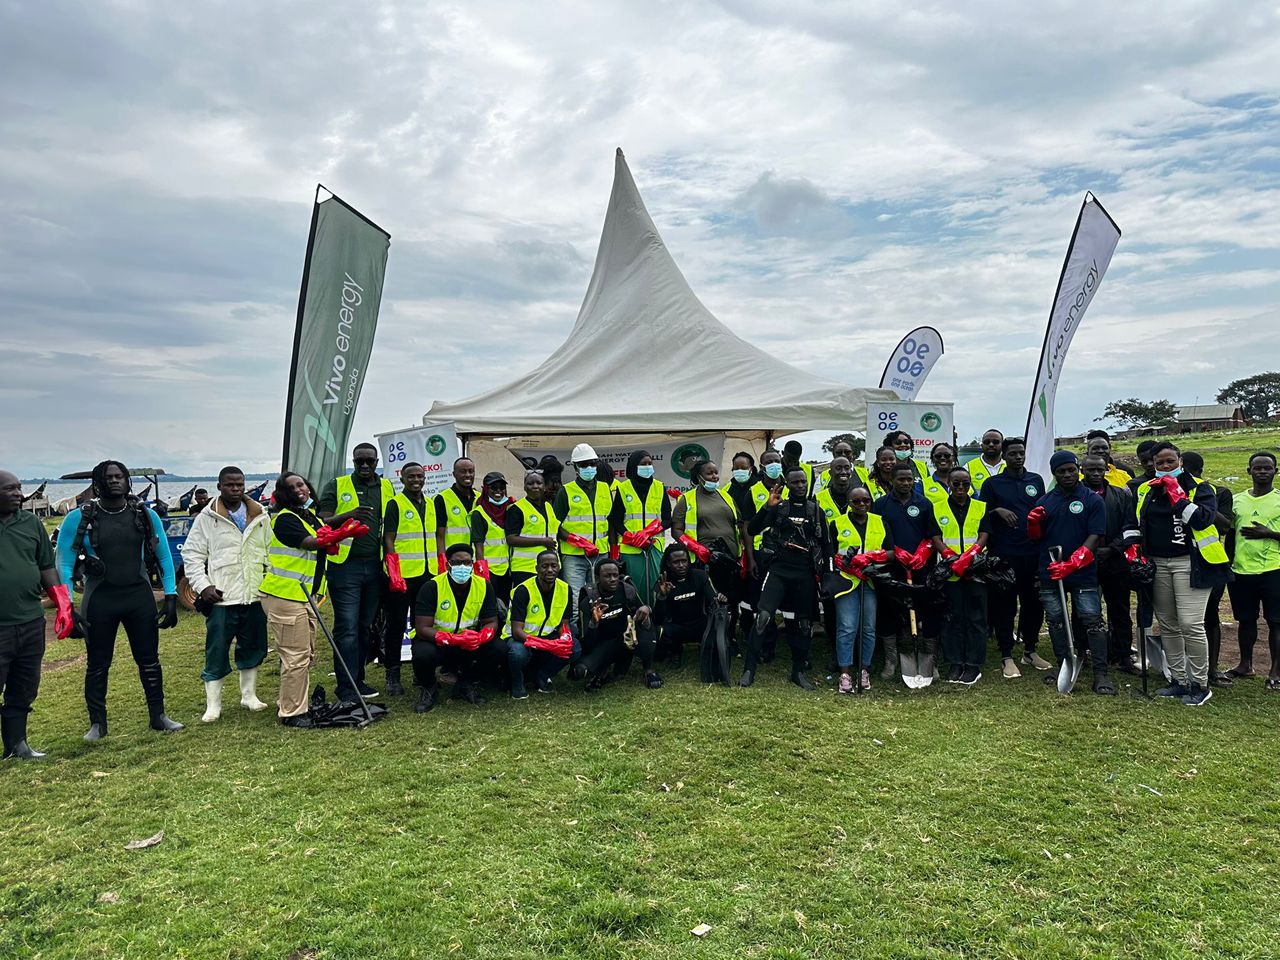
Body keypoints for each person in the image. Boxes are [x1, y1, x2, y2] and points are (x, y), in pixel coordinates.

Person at [56, 460, 183, 740]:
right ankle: (97, 724)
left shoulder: (145, 515)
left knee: (149, 660)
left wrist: (171, 596)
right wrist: (67, 606)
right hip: (100, 599)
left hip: (138, 597)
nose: (114, 481)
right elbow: (63, 563)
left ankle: (158, 716)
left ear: (128, 481)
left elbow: (163, 556)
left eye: (119, 476)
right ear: (96, 484)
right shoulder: (79, 518)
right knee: (98, 664)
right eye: (108, 477)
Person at [1121, 441, 1230, 706]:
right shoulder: (1146, 489)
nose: (1165, 466)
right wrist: (1133, 552)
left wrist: (1177, 496)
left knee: (1191, 624)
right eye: (1160, 463)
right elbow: (1133, 523)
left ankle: (1200, 684)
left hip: (1190, 564)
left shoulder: (1199, 488)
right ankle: (1179, 681)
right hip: (1158, 564)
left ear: (1180, 461)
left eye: (1170, 461)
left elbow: (1203, 519)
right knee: (1168, 624)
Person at [260, 472, 363, 728]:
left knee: (305, 653)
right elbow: (310, 543)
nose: (299, 490)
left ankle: (292, 701)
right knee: (295, 656)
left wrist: (344, 523)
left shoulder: (307, 516)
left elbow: (323, 530)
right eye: (292, 487)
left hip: (305, 596)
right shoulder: (285, 519)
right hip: (285, 594)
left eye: (302, 484)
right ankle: (292, 713)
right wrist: (339, 535)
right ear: (283, 494)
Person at [182, 465, 271, 722]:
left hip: (254, 594)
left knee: (253, 646)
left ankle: (249, 695)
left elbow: (269, 551)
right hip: (222, 597)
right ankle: (214, 704)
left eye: (240, 484)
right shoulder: (207, 517)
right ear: (219, 486)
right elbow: (192, 554)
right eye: (230, 485)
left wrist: (268, 583)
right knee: (217, 650)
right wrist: (203, 586)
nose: (235, 489)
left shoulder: (260, 514)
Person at [0, 469, 75, 759]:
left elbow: (46, 565)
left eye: (19, 488)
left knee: (24, 685)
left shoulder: (31, 523)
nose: (19, 494)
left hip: (30, 621)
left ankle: (17, 745)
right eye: (10, 489)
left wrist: (63, 603)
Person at [1028, 450, 1112, 695]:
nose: (1067, 475)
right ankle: (1064, 663)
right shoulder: (1044, 501)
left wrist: (1075, 561)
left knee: (1092, 620)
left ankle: (1101, 673)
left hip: (1083, 572)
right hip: (1051, 572)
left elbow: (1096, 535)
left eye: (1071, 470)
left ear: (1078, 470)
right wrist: (1033, 524)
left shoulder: (1092, 500)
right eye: (1061, 471)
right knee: (1055, 620)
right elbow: (1036, 538)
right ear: (1054, 474)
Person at [317, 442, 395, 702]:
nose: (364, 465)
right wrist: (348, 515)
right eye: (359, 461)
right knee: (347, 628)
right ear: (353, 461)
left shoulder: (387, 486)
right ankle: (346, 687)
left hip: (374, 566)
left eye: (369, 461)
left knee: (364, 627)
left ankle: (357, 679)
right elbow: (321, 521)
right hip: (345, 567)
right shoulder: (337, 485)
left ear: (376, 462)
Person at [743, 466, 829, 690]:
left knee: (804, 624)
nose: (800, 486)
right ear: (787, 485)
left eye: (803, 481)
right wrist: (767, 507)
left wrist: (827, 576)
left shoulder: (816, 511)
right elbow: (752, 529)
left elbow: (826, 545)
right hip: (778, 571)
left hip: (805, 573)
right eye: (795, 482)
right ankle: (749, 669)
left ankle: (798, 671)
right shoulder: (779, 508)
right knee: (763, 617)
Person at [976, 436, 1051, 677]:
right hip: (1004, 555)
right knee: (1005, 606)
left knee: (1033, 604)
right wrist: (996, 510)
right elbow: (980, 515)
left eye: (1021, 453)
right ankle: (1006, 655)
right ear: (1004, 456)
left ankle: (1030, 650)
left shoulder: (1035, 480)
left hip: (1032, 553)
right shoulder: (992, 484)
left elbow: (1042, 513)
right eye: (1012, 454)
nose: (1018, 457)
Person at [671, 460, 752, 652]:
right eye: (709, 473)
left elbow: (740, 525)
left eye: (716, 473)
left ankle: (729, 638)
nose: (714, 477)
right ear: (699, 477)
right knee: (710, 601)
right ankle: (709, 639)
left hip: (730, 559)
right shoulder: (687, 500)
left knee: (731, 600)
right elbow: (676, 530)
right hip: (704, 560)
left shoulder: (726, 496)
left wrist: (743, 554)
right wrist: (697, 548)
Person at [410, 543, 503, 712]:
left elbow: (491, 622)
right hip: (439, 642)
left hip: (468, 643)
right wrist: (452, 639)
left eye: (467, 563)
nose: (462, 567)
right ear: (448, 565)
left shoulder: (484, 585)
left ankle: (467, 683)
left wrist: (480, 637)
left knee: (498, 648)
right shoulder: (432, 587)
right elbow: (422, 628)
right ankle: (429, 687)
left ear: (472, 564)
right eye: (457, 563)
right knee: (423, 653)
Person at [871, 460, 941, 680]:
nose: (905, 483)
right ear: (891, 480)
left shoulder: (924, 503)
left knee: (927, 610)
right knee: (889, 611)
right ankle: (891, 660)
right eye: (901, 479)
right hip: (892, 567)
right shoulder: (881, 504)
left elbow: (932, 534)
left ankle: (930, 660)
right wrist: (895, 551)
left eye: (909, 479)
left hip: (921, 567)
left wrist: (922, 553)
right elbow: (876, 533)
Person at [829, 484, 891, 693]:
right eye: (856, 501)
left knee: (868, 628)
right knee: (847, 627)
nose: (862, 504)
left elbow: (891, 552)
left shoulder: (880, 521)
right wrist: (846, 564)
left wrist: (871, 558)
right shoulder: (837, 523)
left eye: (866, 500)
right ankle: (845, 672)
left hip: (871, 581)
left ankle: (864, 669)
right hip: (846, 581)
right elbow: (831, 553)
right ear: (849, 503)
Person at [932, 466, 992, 685]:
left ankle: (973, 664)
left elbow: (984, 534)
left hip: (975, 570)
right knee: (952, 618)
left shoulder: (980, 506)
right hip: (949, 571)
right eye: (955, 483)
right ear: (949, 484)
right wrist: (949, 556)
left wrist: (970, 556)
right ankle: (955, 662)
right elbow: (935, 536)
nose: (960, 487)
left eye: (965, 483)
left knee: (976, 618)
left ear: (970, 485)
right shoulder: (937, 508)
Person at [1225, 452, 1280, 687]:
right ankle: (1245, 665)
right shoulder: (1237, 500)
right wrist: (1227, 563)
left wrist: (1269, 534)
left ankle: (1276, 672)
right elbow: (1230, 535)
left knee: (1276, 621)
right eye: (1258, 468)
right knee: (1245, 620)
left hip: (1274, 569)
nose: (1263, 471)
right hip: (1241, 570)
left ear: (1276, 471)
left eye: (1267, 467)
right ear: (1249, 471)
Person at [1080, 453, 1137, 675]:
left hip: (1115, 561)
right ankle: (1083, 651)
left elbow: (1130, 526)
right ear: (1083, 470)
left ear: (1106, 470)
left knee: (1120, 610)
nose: (1096, 473)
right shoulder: (1076, 495)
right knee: (1084, 610)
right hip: (1085, 562)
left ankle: (1123, 655)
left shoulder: (1120, 495)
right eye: (1091, 469)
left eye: (1100, 469)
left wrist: (1113, 549)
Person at [380, 462, 433, 696]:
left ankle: (421, 673)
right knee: (397, 625)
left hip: (427, 574)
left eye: (420, 476)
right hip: (402, 576)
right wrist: (394, 571)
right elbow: (388, 539)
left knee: (423, 625)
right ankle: (392, 674)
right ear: (402, 479)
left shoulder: (430, 504)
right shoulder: (395, 504)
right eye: (411, 476)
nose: (416, 480)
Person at [1182, 451, 1232, 685]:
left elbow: (1224, 526)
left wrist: (1202, 504)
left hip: (1208, 563)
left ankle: (1211, 669)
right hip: (1182, 563)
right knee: (1185, 619)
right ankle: (1185, 669)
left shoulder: (1218, 492)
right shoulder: (1166, 492)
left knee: (1210, 615)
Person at [574, 557, 662, 690]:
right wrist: (594, 623)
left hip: (628, 638)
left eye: (615, 575)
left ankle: (648, 669)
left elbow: (645, 612)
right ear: (597, 578)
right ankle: (603, 669)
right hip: (606, 641)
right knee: (581, 670)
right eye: (607, 576)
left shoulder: (627, 590)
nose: (613, 579)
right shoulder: (588, 601)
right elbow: (586, 642)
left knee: (645, 622)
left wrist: (647, 609)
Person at [506, 550, 576, 699]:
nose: (550, 570)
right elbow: (516, 631)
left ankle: (542, 676)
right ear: (536, 568)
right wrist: (546, 645)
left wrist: (565, 638)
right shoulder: (523, 590)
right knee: (517, 653)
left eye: (554, 566)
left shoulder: (565, 589)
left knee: (574, 648)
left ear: (559, 567)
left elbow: (564, 624)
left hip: (548, 635)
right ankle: (517, 683)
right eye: (545, 566)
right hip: (521, 638)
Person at [554, 443, 616, 605]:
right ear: (575, 467)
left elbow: (610, 521)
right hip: (574, 556)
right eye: (584, 464)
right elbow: (555, 526)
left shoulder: (605, 488)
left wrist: (613, 551)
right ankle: (575, 624)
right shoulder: (565, 491)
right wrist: (577, 541)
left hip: (601, 553)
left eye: (592, 463)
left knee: (597, 599)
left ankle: (592, 624)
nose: (589, 468)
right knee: (575, 599)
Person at [611, 450, 672, 607]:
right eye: (643, 464)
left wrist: (650, 532)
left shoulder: (659, 487)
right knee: (634, 587)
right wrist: (631, 537)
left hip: (654, 546)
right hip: (631, 548)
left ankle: (656, 617)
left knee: (656, 585)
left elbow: (667, 519)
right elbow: (616, 521)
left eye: (649, 463)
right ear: (633, 466)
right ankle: (636, 616)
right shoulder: (623, 488)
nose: (647, 467)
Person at [653, 543, 718, 668]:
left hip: (701, 624)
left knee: (719, 619)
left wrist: (719, 599)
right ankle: (674, 651)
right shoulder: (662, 584)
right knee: (661, 630)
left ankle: (710, 648)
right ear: (668, 563)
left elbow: (713, 599)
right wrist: (662, 596)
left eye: (684, 561)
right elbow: (657, 619)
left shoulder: (701, 576)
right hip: (677, 628)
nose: (681, 565)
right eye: (676, 562)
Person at [506, 471, 559, 590]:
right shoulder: (516, 509)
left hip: (548, 568)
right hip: (525, 567)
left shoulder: (548, 506)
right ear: (525, 487)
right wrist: (542, 541)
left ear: (544, 486)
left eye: (539, 483)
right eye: (530, 483)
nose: (535, 486)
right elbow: (511, 539)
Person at [471, 471, 514, 605]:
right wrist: (482, 571)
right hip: (489, 570)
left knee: (504, 606)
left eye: (502, 488)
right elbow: (478, 545)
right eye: (494, 488)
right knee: (489, 606)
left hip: (506, 569)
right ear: (485, 489)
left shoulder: (509, 509)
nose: (498, 492)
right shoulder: (479, 513)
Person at [434, 457, 477, 575]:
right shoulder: (442, 499)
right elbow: (439, 536)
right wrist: (443, 562)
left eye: (471, 471)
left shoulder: (479, 498)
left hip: (474, 560)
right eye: (463, 471)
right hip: (454, 561)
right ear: (454, 474)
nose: (467, 475)